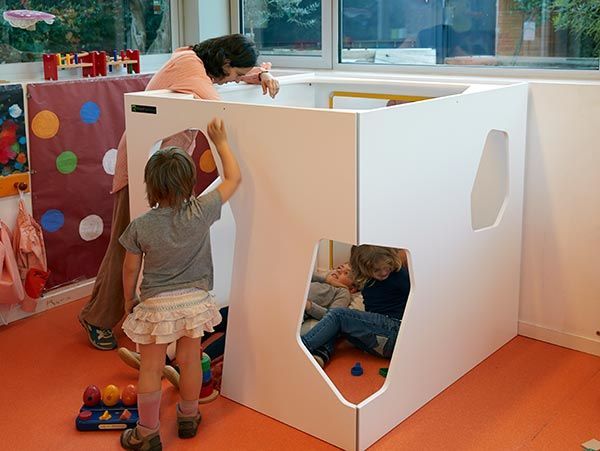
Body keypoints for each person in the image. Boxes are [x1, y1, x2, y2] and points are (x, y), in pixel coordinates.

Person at [78, 34, 280, 350]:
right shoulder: (190, 66)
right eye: (236, 75)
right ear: (225, 63)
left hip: (168, 169)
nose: (235, 81)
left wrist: (261, 74)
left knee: (159, 243)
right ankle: (97, 317)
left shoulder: (200, 67)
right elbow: (217, 106)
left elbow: (220, 86)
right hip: (145, 166)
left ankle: (153, 313)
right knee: (128, 244)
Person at [117, 118, 240, 449]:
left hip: (157, 305)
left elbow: (130, 269)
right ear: (190, 183)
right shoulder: (202, 210)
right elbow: (233, 178)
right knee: (189, 360)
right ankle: (188, 416)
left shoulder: (141, 226)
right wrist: (221, 140)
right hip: (194, 303)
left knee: (152, 367)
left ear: (151, 186)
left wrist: (129, 300)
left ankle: (147, 432)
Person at [301, 245, 410, 368]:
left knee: (338, 314)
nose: (384, 272)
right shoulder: (364, 280)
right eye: (377, 270)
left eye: (387, 266)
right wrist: (329, 278)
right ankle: (321, 354)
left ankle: (301, 347)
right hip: (378, 339)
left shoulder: (399, 274)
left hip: (395, 331)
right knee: (335, 325)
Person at [302, 263, 356, 334]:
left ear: (352, 289)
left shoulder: (343, 291)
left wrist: (309, 305)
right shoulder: (322, 279)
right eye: (339, 267)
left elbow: (332, 316)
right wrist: (327, 280)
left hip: (298, 309)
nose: (339, 271)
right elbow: (304, 275)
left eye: (346, 273)